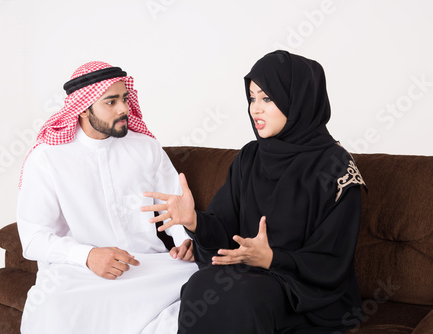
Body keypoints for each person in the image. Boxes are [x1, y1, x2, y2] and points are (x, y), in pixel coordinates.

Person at [142, 50, 366, 333]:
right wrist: (194, 221)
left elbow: (333, 258)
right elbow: (224, 230)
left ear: (298, 99)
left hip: (306, 290)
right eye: (252, 98)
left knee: (246, 298)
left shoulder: (336, 167)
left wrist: (272, 259)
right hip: (251, 274)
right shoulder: (250, 157)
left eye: (267, 98)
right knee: (199, 285)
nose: (255, 109)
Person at [17, 61, 197, 334]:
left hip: (150, 268)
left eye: (124, 99)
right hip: (80, 273)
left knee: (207, 281)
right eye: (110, 102)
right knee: (49, 309)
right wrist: (88, 256)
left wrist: (184, 239)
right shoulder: (46, 159)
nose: (124, 109)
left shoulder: (145, 148)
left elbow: (173, 205)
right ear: (83, 108)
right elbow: (32, 239)